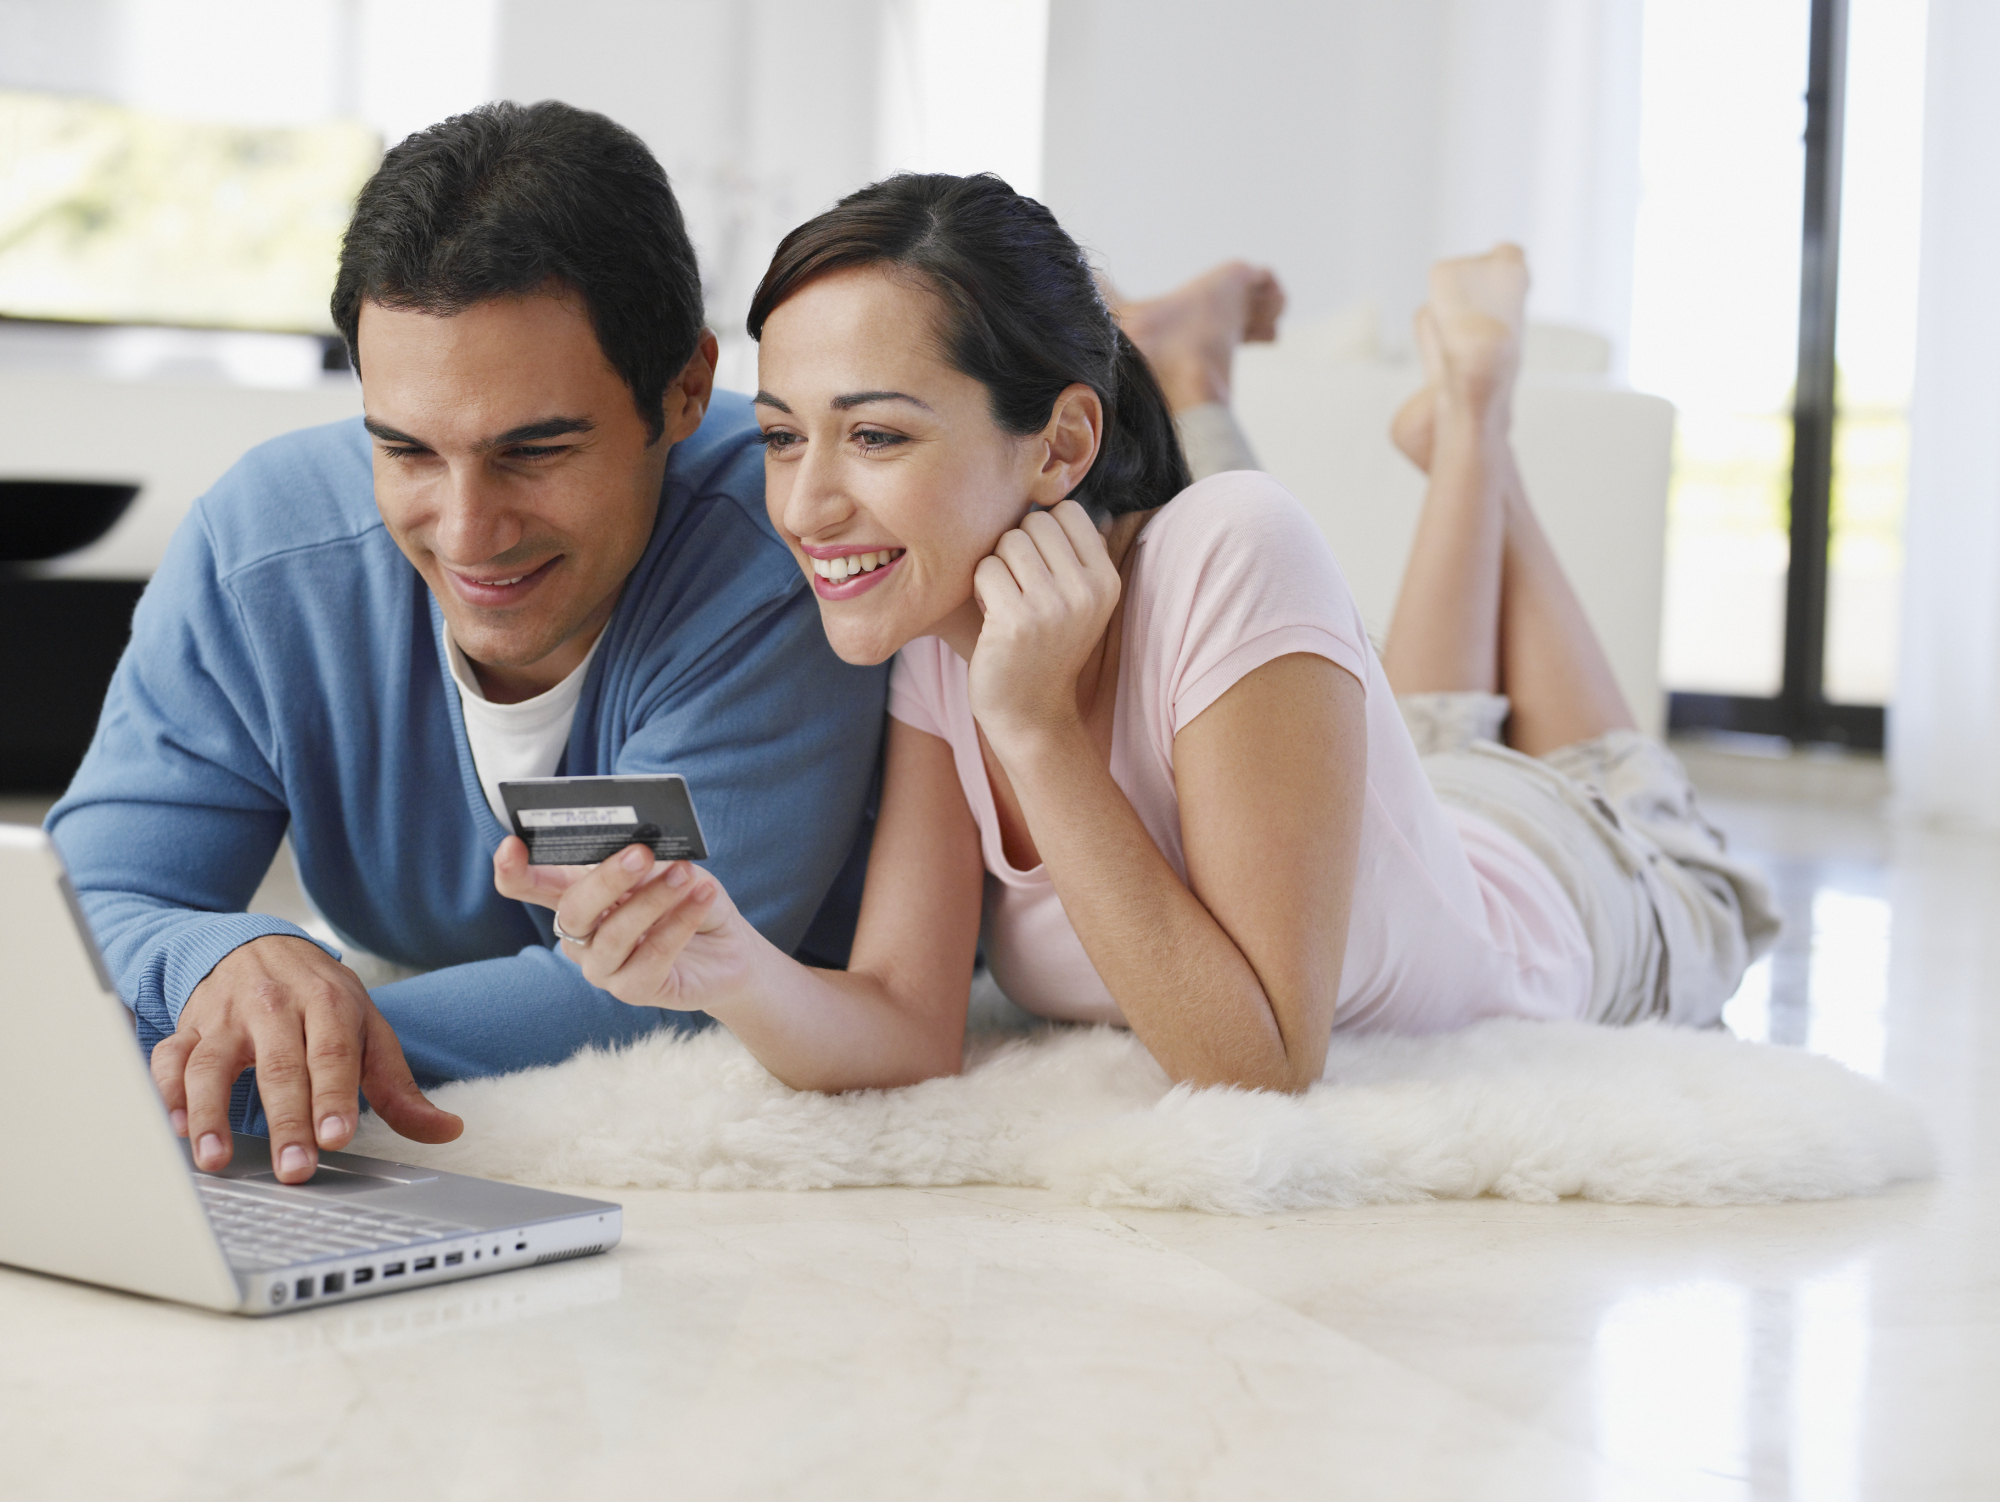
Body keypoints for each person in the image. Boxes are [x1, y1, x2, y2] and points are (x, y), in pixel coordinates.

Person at [496, 173, 1778, 1094]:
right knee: (1434, 733)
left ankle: (1476, 420)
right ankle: (1438, 423)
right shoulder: (930, 622)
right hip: (1413, 831)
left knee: (1596, 783)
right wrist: (720, 960)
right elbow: (902, 1020)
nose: (804, 503)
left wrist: (1035, 728)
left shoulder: (1228, 545)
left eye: (874, 433)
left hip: (1589, 877)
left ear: (1059, 443)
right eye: (781, 434)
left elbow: (1257, 1061)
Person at [47, 102, 887, 1183]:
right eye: (403, 447)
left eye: (534, 451)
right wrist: (227, 958)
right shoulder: (260, 550)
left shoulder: (784, 548)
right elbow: (81, 912)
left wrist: (305, 1043)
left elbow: (649, 977)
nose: (465, 529)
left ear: (681, 391)